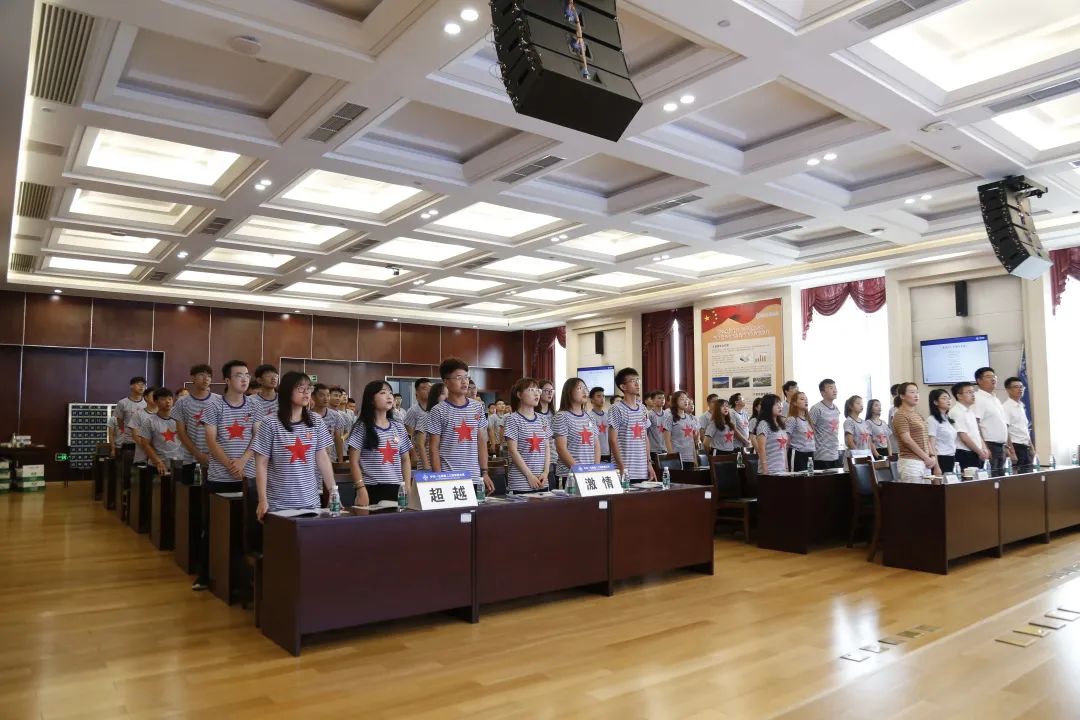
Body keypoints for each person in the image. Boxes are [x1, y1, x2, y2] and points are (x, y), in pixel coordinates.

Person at [194, 360, 259, 591]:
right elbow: (211, 441)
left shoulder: (254, 405)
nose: (245, 379)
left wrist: (242, 462)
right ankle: (204, 575)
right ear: (228, 380)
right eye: (239, 375)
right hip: (220, 477)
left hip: (248, 476)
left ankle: (245, 578)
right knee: (213, 527)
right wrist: (230, 465)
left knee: (247, 527)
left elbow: (257, 436)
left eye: (247, 375)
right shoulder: (214, 406)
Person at [253, 371, 338, 520]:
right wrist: (262, 500)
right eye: (300, 388)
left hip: (310, 503)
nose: (306, 392)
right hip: (279, 505)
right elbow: (261, 464)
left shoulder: (316, 421)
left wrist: (333, 492)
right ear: (287, 391)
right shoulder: (270, 423)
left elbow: (323, 458)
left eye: (308, 388)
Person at [426, 359, 493, 494]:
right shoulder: (438, 410)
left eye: (466, 377)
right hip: (448, 477)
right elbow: (433, 448)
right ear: (446, 381)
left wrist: (484, 472)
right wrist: (439, 478)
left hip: (473, 476)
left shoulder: (477, 407)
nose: (464, 382)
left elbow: (481, 441)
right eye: (458, 378)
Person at [347, 380, 411, 505]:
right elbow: (354, 461)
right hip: (370, 488)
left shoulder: (398, 426)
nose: (389, 396)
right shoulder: (362, 427)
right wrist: (361, 489)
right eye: (383, 393)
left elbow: (405, 459)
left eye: (390, 393)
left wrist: (407, 486)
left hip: (396, 488)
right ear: (371, 400)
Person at [608, 367, 656, 483]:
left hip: (642, 469)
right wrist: (621, 466)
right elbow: (612, 440)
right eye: (632, 381)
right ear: (623, 387)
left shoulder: (643, 408)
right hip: (624, 469)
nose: (637, 383)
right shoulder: (616, 408)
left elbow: (645, 438)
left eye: (638, 380)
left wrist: (649, 464)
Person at [505, 377, 551, 492]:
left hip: (542, 481)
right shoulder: (512, 419)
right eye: (531, 390)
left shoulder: (543, 419)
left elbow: (547, 447)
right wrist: (529, 475)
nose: (536, 393)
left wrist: (546, 472)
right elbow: (513, 451)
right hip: (521, 483)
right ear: (519, 395)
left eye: (537, 390)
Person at [175, 364, 219, 479]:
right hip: (189, 457)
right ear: (193, 378)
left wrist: (214, 453)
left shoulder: (219, 400)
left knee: (213, 490)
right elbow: (181, 432)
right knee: (191, 488)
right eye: (201, 375)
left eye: (209, 376)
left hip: (216, 457)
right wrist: (197, 454)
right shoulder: (182, 402)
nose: (206, 379)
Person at [553, 378, 600, 484]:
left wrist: (596, 468)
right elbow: (561, 448)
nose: (584, 391)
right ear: (569, 392)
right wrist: (579, 471)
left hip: (590, 474)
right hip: (570, 475)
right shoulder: (562, 416)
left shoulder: (590, 416)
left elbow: (596, 444)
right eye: (579, 388)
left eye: (585, 388)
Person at [132, 388, 182, 478]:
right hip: (156, 464)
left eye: (170, 399)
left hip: (178, 463)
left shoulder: (180, 420)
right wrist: (158, 462)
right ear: (156, 401)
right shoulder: (149, 421)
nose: (168, 402)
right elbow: (145, 444)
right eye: (163, 399)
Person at [892, 382, 937, 480]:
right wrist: (926, 457)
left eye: (917, 392)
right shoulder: (900, 415)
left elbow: (926, 438)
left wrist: (932, 455)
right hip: (911, 462)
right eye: (912, 392)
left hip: (925, 462)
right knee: (915, 490)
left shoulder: (917, 415)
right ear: (902, 396)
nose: (916, 395)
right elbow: (907, 440)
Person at [972, 367, 1010, 471]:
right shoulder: (977, 398)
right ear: (979, 381)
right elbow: (975, 424)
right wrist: (984, 447)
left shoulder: (995, 399)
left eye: (994, 376)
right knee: (991, 478)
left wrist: (1006, 446)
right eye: (988, 376)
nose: (993, 379)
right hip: (989, 445)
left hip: (1001, 446)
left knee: (1002, 478)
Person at [950, 381, 989, 470]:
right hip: (965, 453)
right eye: (969, 392)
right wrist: (980, 452)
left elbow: (976, 433)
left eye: (973, 392)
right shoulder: (956, 412)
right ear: (959, 396)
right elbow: (963, 437)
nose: (973, 395)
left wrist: (984, 448)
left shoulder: (970, 411)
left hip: (976, 452)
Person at [809, 379, 842, 468]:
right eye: (831, 388)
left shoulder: (836, 409)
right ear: (823, 393)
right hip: (821, 455)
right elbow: (810, 430)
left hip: (835, 453)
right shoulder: (816, 408)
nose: (835, 390)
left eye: (835, 388)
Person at [663, 390, 700, 468]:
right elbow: (667, 440)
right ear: (675, 401)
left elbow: (692, 441)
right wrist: (672, 457)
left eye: (686, 399)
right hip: (677, 457)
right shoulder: (670, 417)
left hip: (690, 458)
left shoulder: (690, 418)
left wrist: (695, 458)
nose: (686, 401)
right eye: (682, 399)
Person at [311, 383, 347, 462]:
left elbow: (338, 440)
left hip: (330, 459)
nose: (326, 398)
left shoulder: (335, 416)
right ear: (313, 396)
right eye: (321, 395)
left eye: (328, 395)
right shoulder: (306, 416)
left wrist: (340, 461)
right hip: (311, 460)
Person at [754, 393, 789, 474]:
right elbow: (761, 448)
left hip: (781, 470)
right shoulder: (764, 424)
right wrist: (765, 470)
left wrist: (786, 468)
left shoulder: (781, 425)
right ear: (768, 407)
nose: (780, 406)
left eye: (780, 403)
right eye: (776, 404)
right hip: (769, 470)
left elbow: (784, 449)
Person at [1002, 376, 1032, 468]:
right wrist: (1012, 452)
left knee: (1029, 474)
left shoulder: (1021, 406)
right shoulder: (1006, 407)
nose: (1020, 389)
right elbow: (1005, 430)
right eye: (1016, 387)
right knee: (1018, 474)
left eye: (1021, 387)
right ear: (1008, 390)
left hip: (1025, 446)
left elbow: (1025, 429)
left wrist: (1032, 448)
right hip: (1015, 447)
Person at [927, 389, 958, 474]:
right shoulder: (932, 419)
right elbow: (931, 444)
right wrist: (936, 466)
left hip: (951, 457)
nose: (948, 401)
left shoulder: (948, 419)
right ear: (935, 402)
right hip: (940, 458)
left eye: (949, 398)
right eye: (944, 398)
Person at [404, 378, 432, 470]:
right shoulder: (413, 411)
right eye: (424, 388)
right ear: (417, 392)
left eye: (430, 388)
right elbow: (408, 435)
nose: (428, 390)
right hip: (420, 454)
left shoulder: (435, 409)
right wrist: (413, 454)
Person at [114, 376, 147, 451]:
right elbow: (120, 422)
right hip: (128, 441)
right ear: (131, 386)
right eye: (138, 384)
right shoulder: (122, 403)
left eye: (143, 385)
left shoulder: (147, 403)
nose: (141, 386)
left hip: (144, 441)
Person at [785, 391, 815, 471]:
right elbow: (786, 443)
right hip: (797, 455)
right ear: (794, 403)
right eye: (802, 399)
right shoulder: (792, 419)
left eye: (806, 399)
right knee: (797, 478)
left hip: (810, 454)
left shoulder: (808, 420)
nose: (806, 401)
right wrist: (785, 463)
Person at [843, 395, 879, 460]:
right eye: (858, 403)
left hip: (866, 456)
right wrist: (859, 455)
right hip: (854, 458)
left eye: (862, 404)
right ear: (851, 406)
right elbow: (849, 442)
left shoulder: (864, 422)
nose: (861, 406)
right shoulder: (849, 421)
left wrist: (873, 454)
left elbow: (869, 441)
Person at [130, 387, 158, 466]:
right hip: (142, 458)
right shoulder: (138, 414)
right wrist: (151, 451)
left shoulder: (165, 414)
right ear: (146, 397)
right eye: (153, 395)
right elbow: (136, 436)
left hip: (162, 457)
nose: (156, 398)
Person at [588, 387, 611, 463]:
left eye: (603, 396)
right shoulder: (589, 416)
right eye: (598, 396)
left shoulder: (608, 416)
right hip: (595, 454)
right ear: (592, 400)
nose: (602, 398)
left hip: (608, 453)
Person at [645, 390, 668, 458]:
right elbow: (645, 433)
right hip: (653, 449)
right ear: (653, 400)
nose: (662, 400)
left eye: (663, 398)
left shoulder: (667, 415)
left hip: (665, 448)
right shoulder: (649, 415)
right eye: (659, 398)